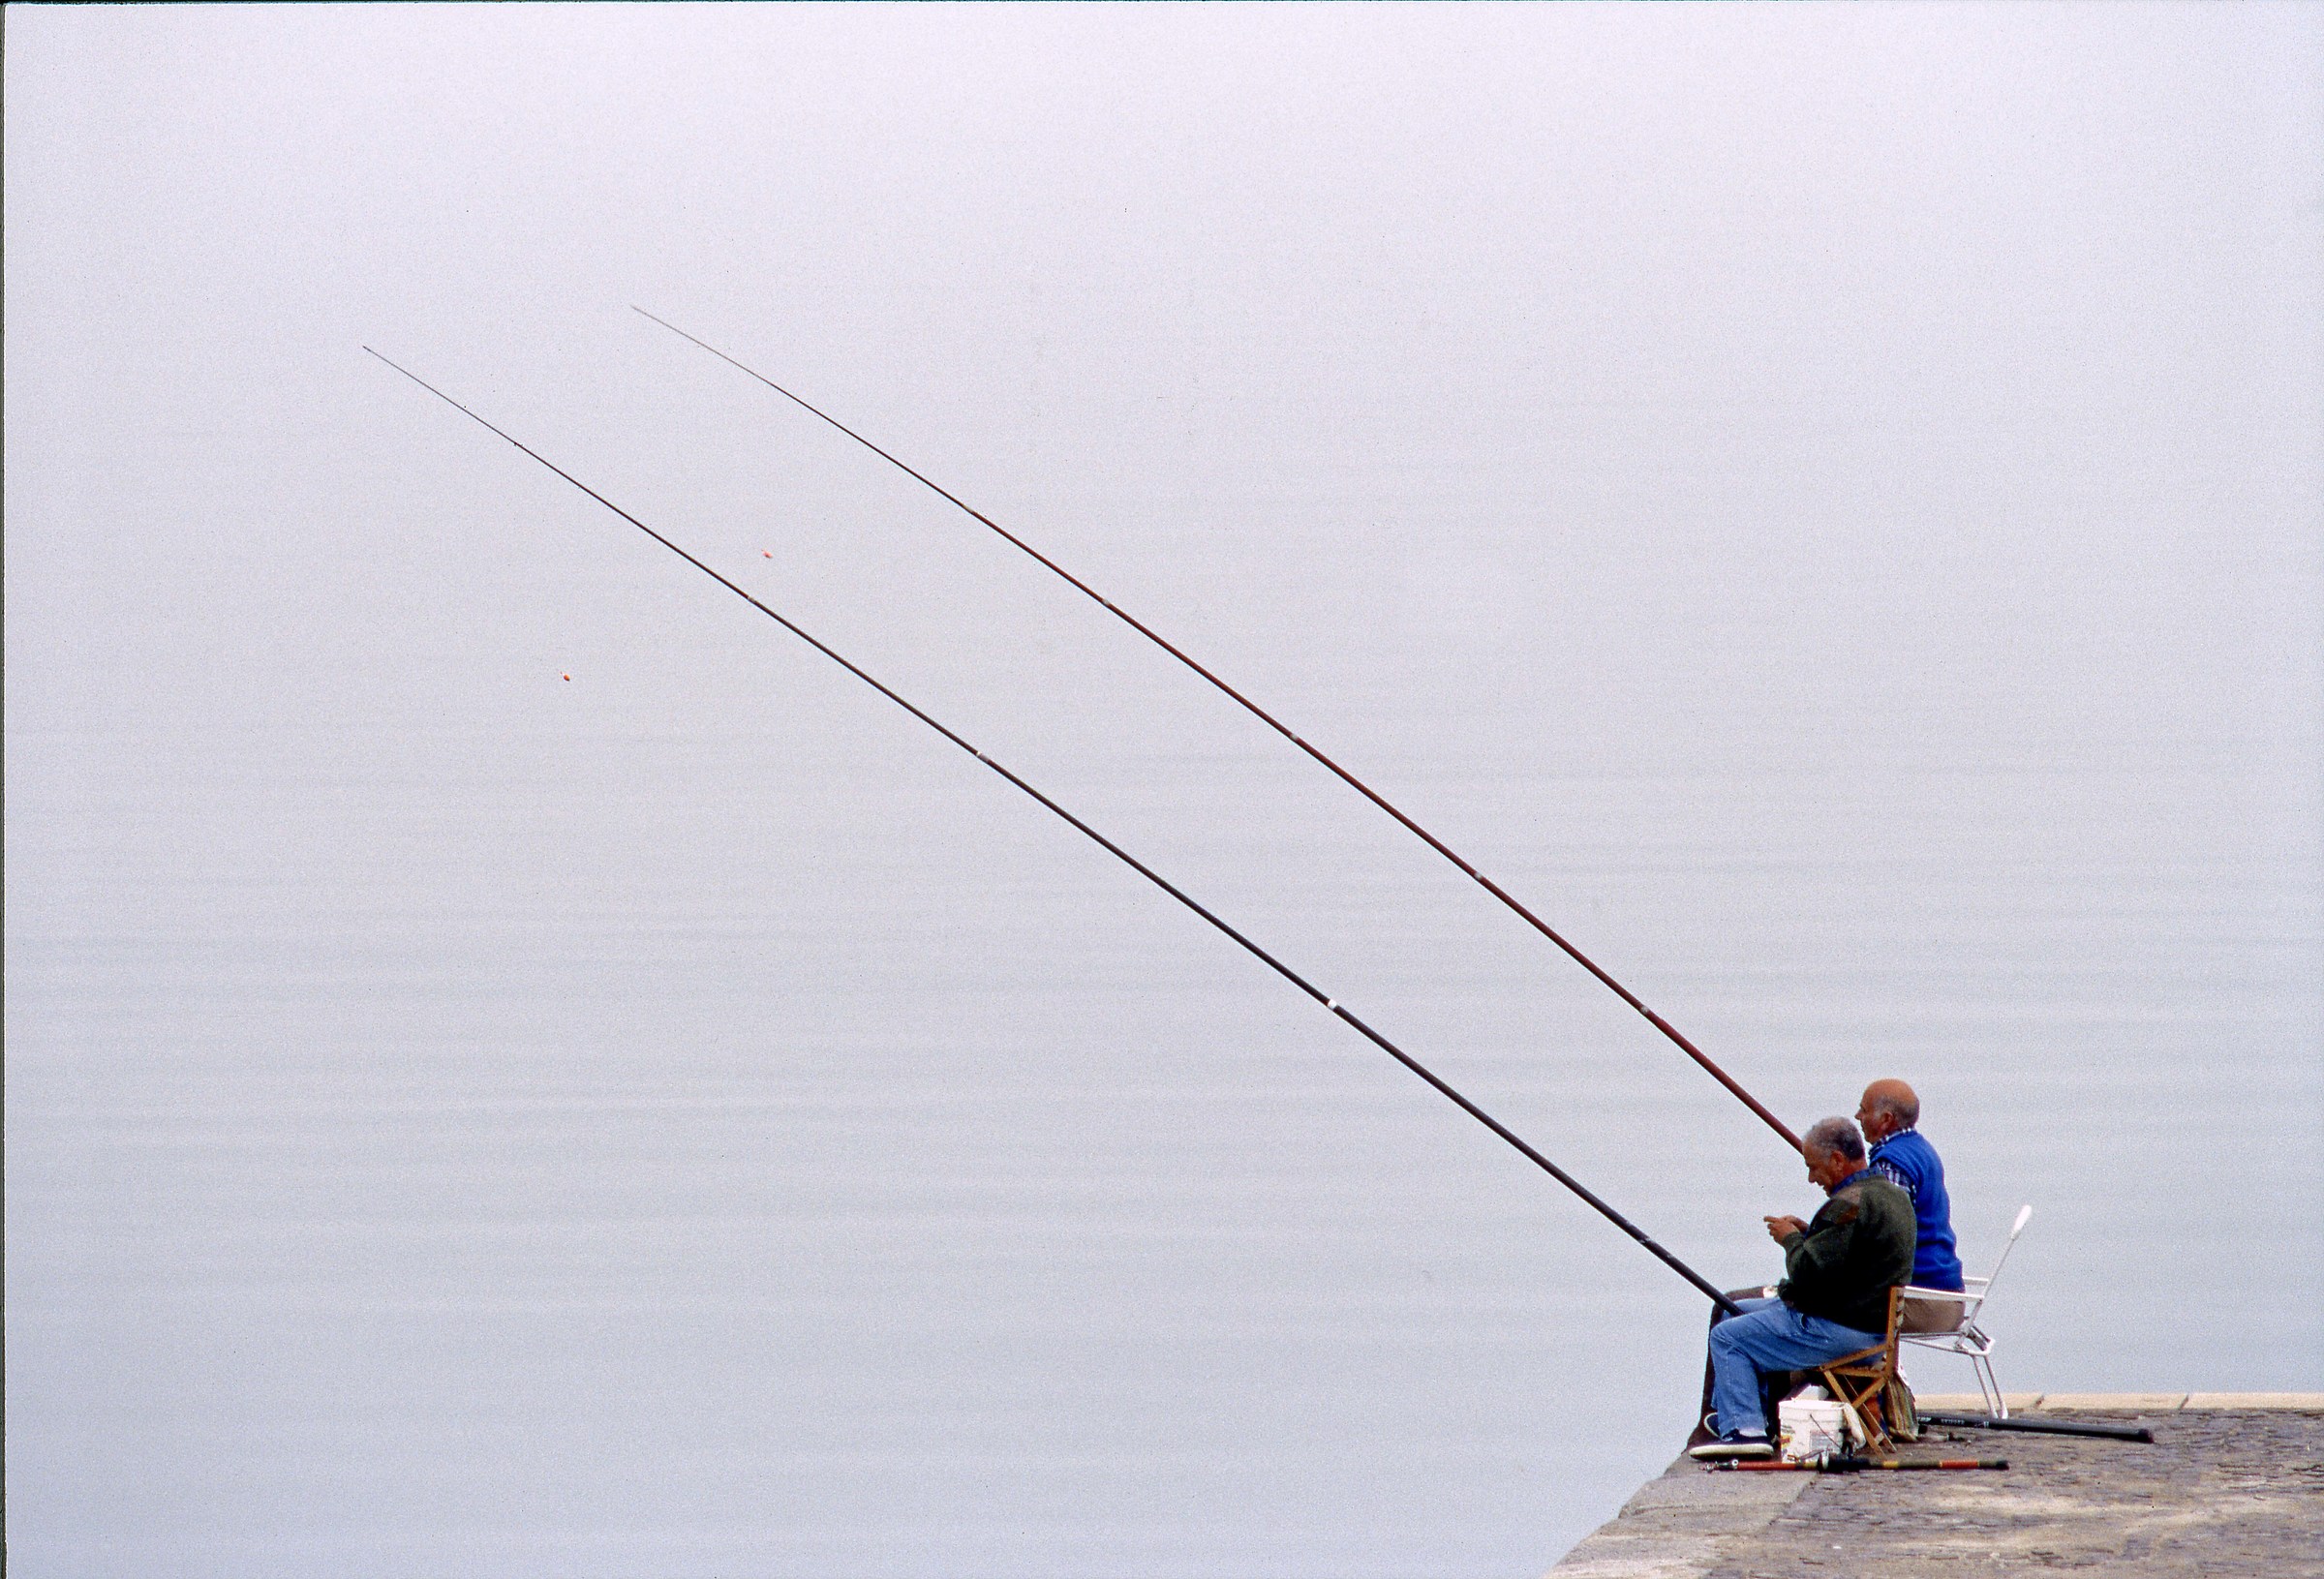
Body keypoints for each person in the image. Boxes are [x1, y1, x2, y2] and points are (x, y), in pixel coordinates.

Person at [1689, 1117, 1916, 1460]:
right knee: (1732, 1311)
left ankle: (1744, 1431)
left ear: (1838, 1160)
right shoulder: (1891, 1195)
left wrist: (1790, 1239)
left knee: (1728, 1337)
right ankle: (1742, 1413)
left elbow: (1807, 1274)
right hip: (1872, 1328)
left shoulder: (1847, 1204)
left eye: (1814, 1167)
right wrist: (1813, 1233)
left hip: (1841, 1331)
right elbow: (1850, 1256)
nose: (1813, 1178)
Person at [1857, 1078, 1965, 1330]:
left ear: (1885, 1119)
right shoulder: (1921, 1149)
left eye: (1863, 1110)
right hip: (1947, 1295)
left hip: (1920, 1299)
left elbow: (1887, 1240)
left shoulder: (1892, 1163)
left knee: (1814, 1316)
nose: (1858, 1116)